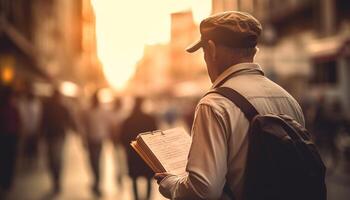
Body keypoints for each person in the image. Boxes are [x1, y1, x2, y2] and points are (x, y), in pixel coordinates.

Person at [154, 11, 305, 200]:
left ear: (212, 49)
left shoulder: (214, 104)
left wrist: (171, 184)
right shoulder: (289, 100)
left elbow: (204, 190)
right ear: (253, 51)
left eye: (204, 53)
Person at [120, 96, 157, 200]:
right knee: (149, 177)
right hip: (147, 153)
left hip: (133, 153)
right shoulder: (149, 119)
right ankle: (147, 198)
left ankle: (136, 198)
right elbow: (155, 135)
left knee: (134, 178)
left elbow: (122, 138)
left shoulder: (128, 120)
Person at [42, 89, 75, 195]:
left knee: (54, 159)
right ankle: (56, 180)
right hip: (54, 136)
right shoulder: (55, 107)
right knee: (55, 159)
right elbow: (70, 121)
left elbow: (69, 120)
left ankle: (56, 180)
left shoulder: (57, 107)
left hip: (55, 136)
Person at [83, 91, 115, 197]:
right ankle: (96, 180)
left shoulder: (102, 111)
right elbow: (83, 125)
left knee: (97, 161)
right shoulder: (88, 111)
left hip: (99, 139)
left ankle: (97, 182)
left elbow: (109, 124)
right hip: (91, 139)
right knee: (92, 161)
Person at [0, 86, 20, 198]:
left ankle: (7, 181)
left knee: (9, 159)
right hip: (6, 137)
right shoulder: (9, 108)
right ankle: (6, 181)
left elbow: (18, 122)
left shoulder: (13, 108)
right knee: (7, 159)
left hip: (10, 137)